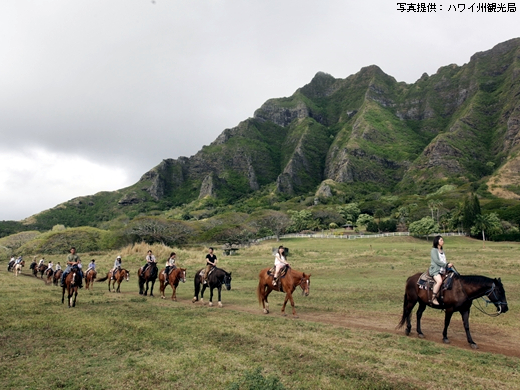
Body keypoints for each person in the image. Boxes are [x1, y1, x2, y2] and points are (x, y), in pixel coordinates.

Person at [429, 235, 453, 305]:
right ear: (437, 241)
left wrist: (448, 266)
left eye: (443, 240)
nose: (443, 241)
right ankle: (433, 298)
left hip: (443, 270)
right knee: (439, 281)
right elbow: (436, 261)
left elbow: (443, 260)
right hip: (436, 270)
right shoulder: (434, 250)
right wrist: (446, 265)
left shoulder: (442, 251)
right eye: (441, 240)